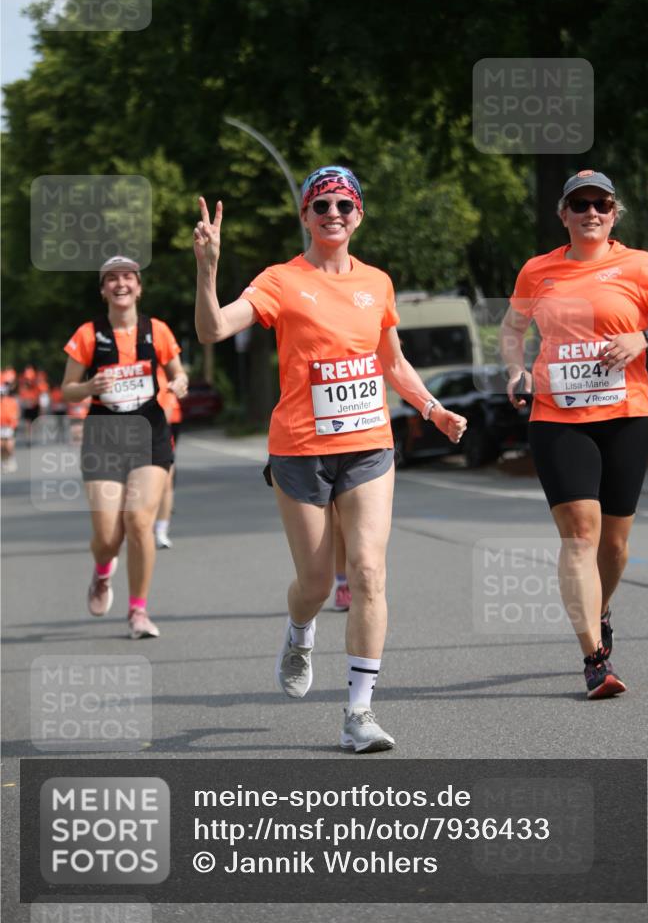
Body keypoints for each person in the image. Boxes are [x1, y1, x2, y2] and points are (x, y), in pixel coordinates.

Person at [194, 166, 467, 752]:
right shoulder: (280, 280)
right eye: (321, 206)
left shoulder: (378, 283)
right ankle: (299, 632)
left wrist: (431, 408)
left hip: (369, 443)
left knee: (368, 571)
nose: (333, 214)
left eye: (345, 204)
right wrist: (208, 267)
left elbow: (392, 364)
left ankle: (359, 714)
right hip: (299, 448)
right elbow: (214, 329)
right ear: (306, 217)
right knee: (315, 583)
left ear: (359, 214)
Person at [500, 170, 648, 699]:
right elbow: (511, 328)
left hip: (625, 416)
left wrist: (643, 339)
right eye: (580, 205)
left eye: (601, 204)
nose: (590, 213)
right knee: (580, 532)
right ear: (563, 214)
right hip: (557, 417)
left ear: (614, 213)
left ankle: (602, 606)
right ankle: (595, 658)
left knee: (614, 546)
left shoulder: (639, 266)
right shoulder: (538, 271)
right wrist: (516, 370)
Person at [62, 255, 188, 639]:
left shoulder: (158, 331)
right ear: (103, 290)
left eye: (128, 278)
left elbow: (177, 373)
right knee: (107, 537)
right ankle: (103, 573)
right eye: (112, 279)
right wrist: (88, 388)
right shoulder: (88, 334)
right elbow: (67, 389)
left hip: (148, 431)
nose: (121, 284)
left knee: (138, 521)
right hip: (103, 436)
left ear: (138, 287)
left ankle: (138, 611)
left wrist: (180, 383)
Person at [154, 365, 183, 549]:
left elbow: (169, 403)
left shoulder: (162, 370)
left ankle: (161, 530)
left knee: (167, 477)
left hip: (163, 427)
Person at [0, 381, 20, 472]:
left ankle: (10, 459)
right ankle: (3, 461)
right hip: (0, 425)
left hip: (9, 426)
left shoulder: (11, 401)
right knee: (1, 445)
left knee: (8, 445)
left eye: (2, 394)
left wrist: (14, 421)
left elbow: (16, 412)